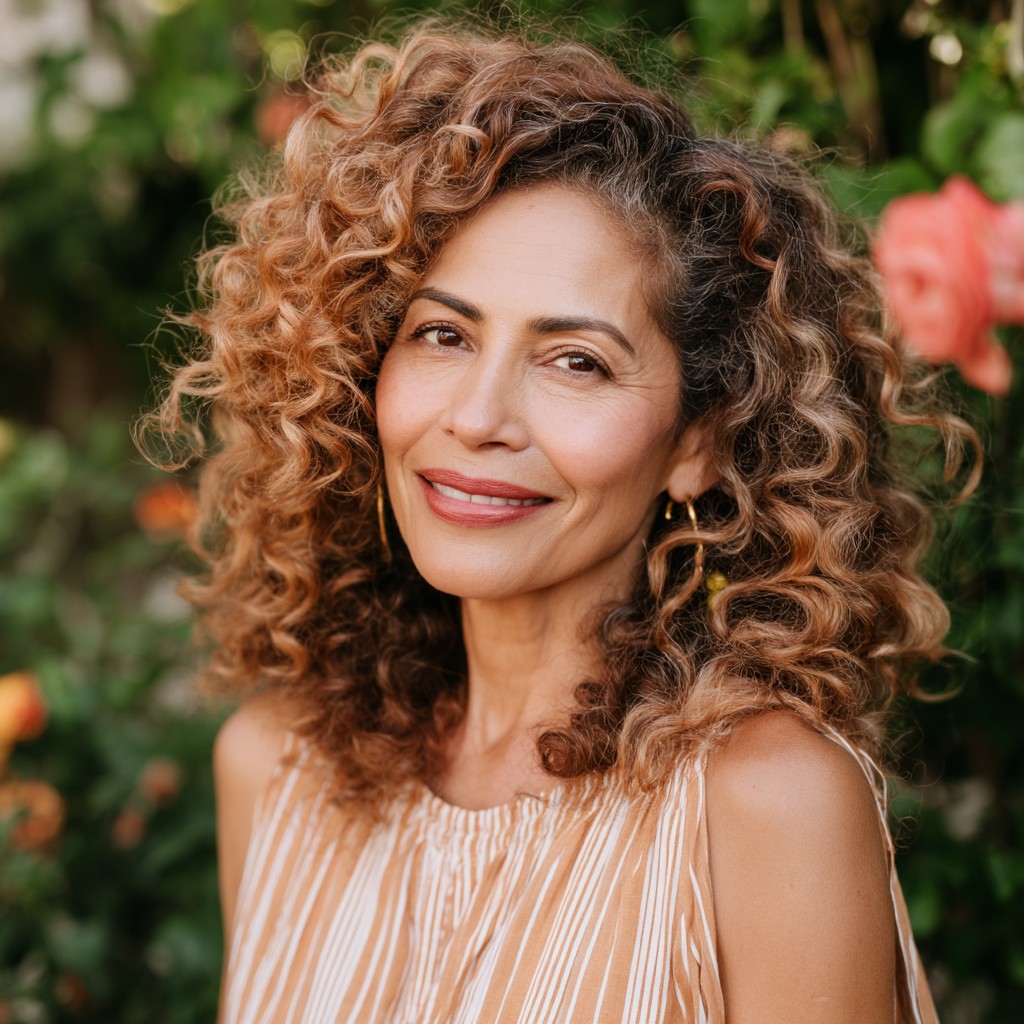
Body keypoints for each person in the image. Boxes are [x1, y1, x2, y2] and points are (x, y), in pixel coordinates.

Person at [147, 23, 973, 1023]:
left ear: (695, 443)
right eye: (442, 335)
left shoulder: (763, 804)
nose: (477, 417)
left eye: (574, 360)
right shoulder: (274, 768)